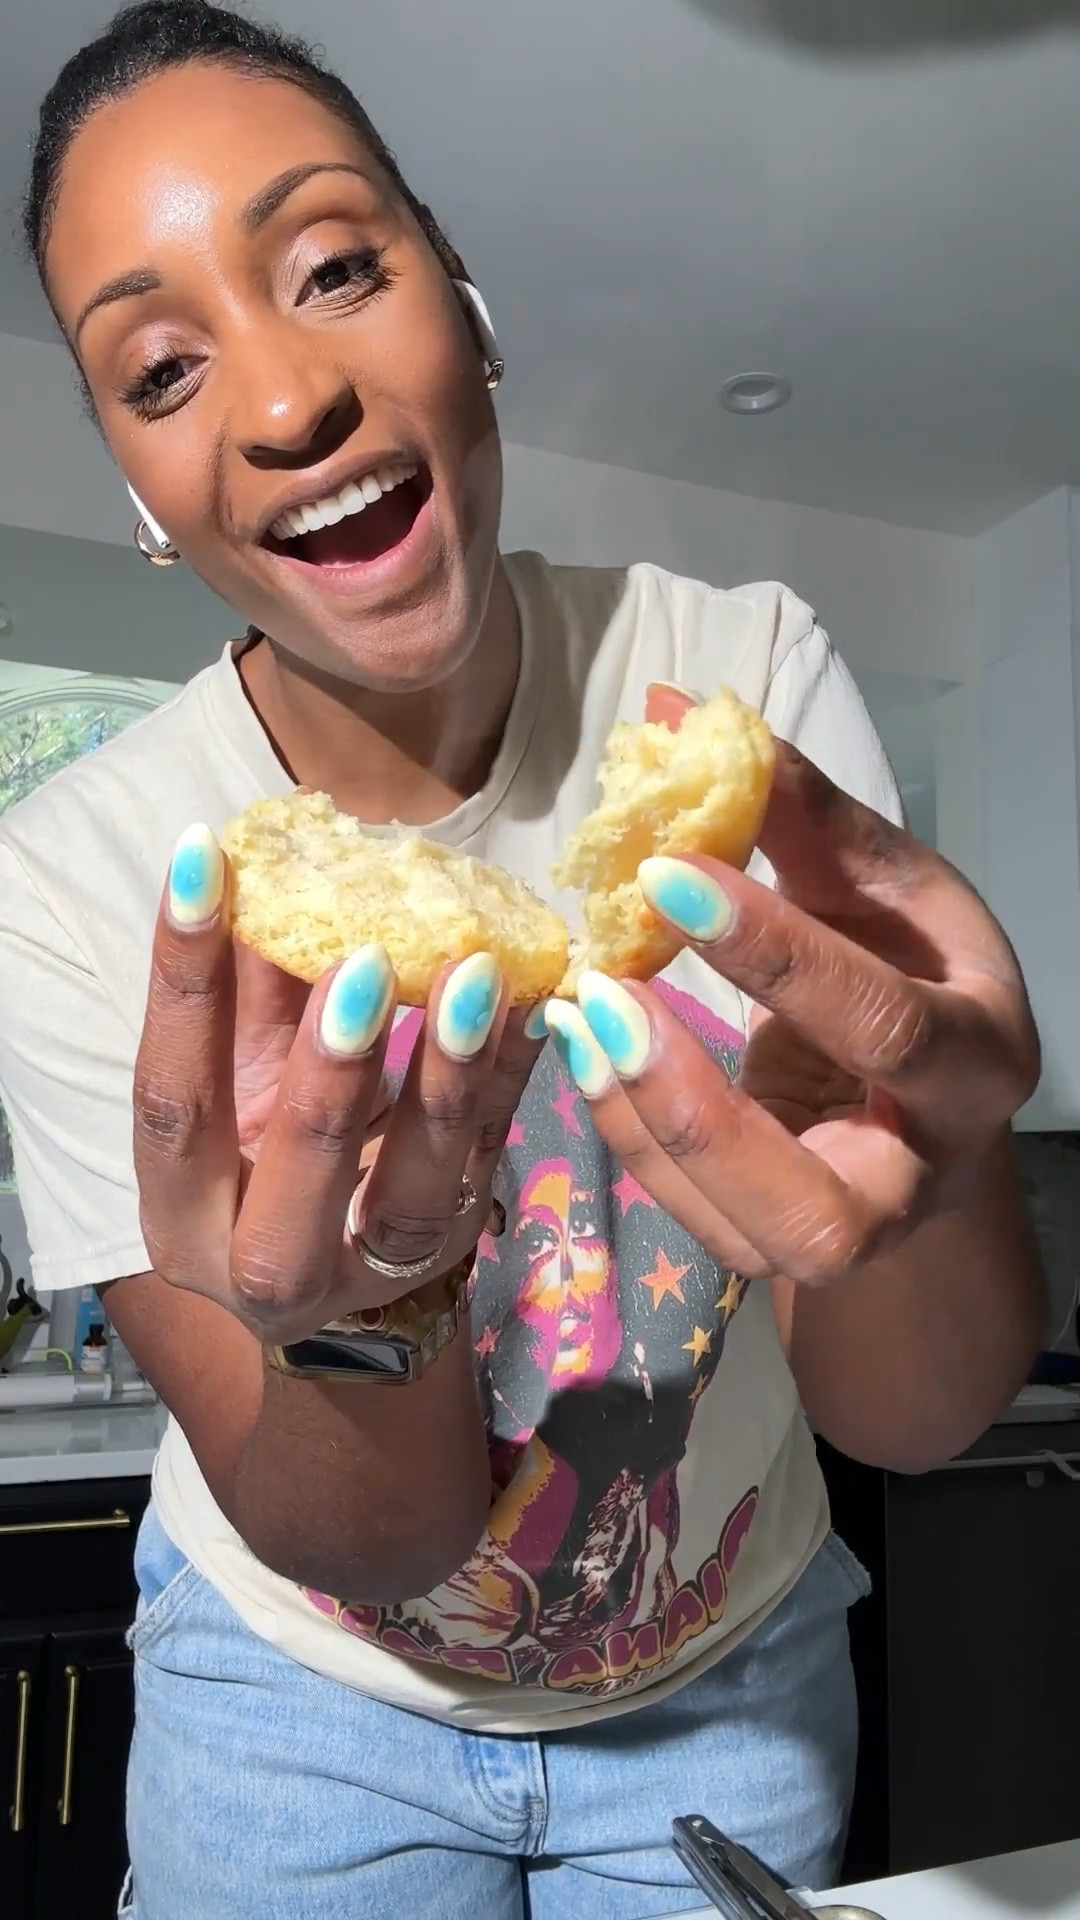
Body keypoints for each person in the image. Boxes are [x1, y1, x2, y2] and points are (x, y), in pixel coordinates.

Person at [0, 4, 1044, 1915]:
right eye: (160, 369)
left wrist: (933, 1163)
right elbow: (370, 1536)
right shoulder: (87, 879)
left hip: (728, 1682)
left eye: (334, 265)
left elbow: (915, 1409)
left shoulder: (736, 683)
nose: (282, 397)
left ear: (462, 304)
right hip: (291, 1703)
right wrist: (370, 1305)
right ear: (146, 498)